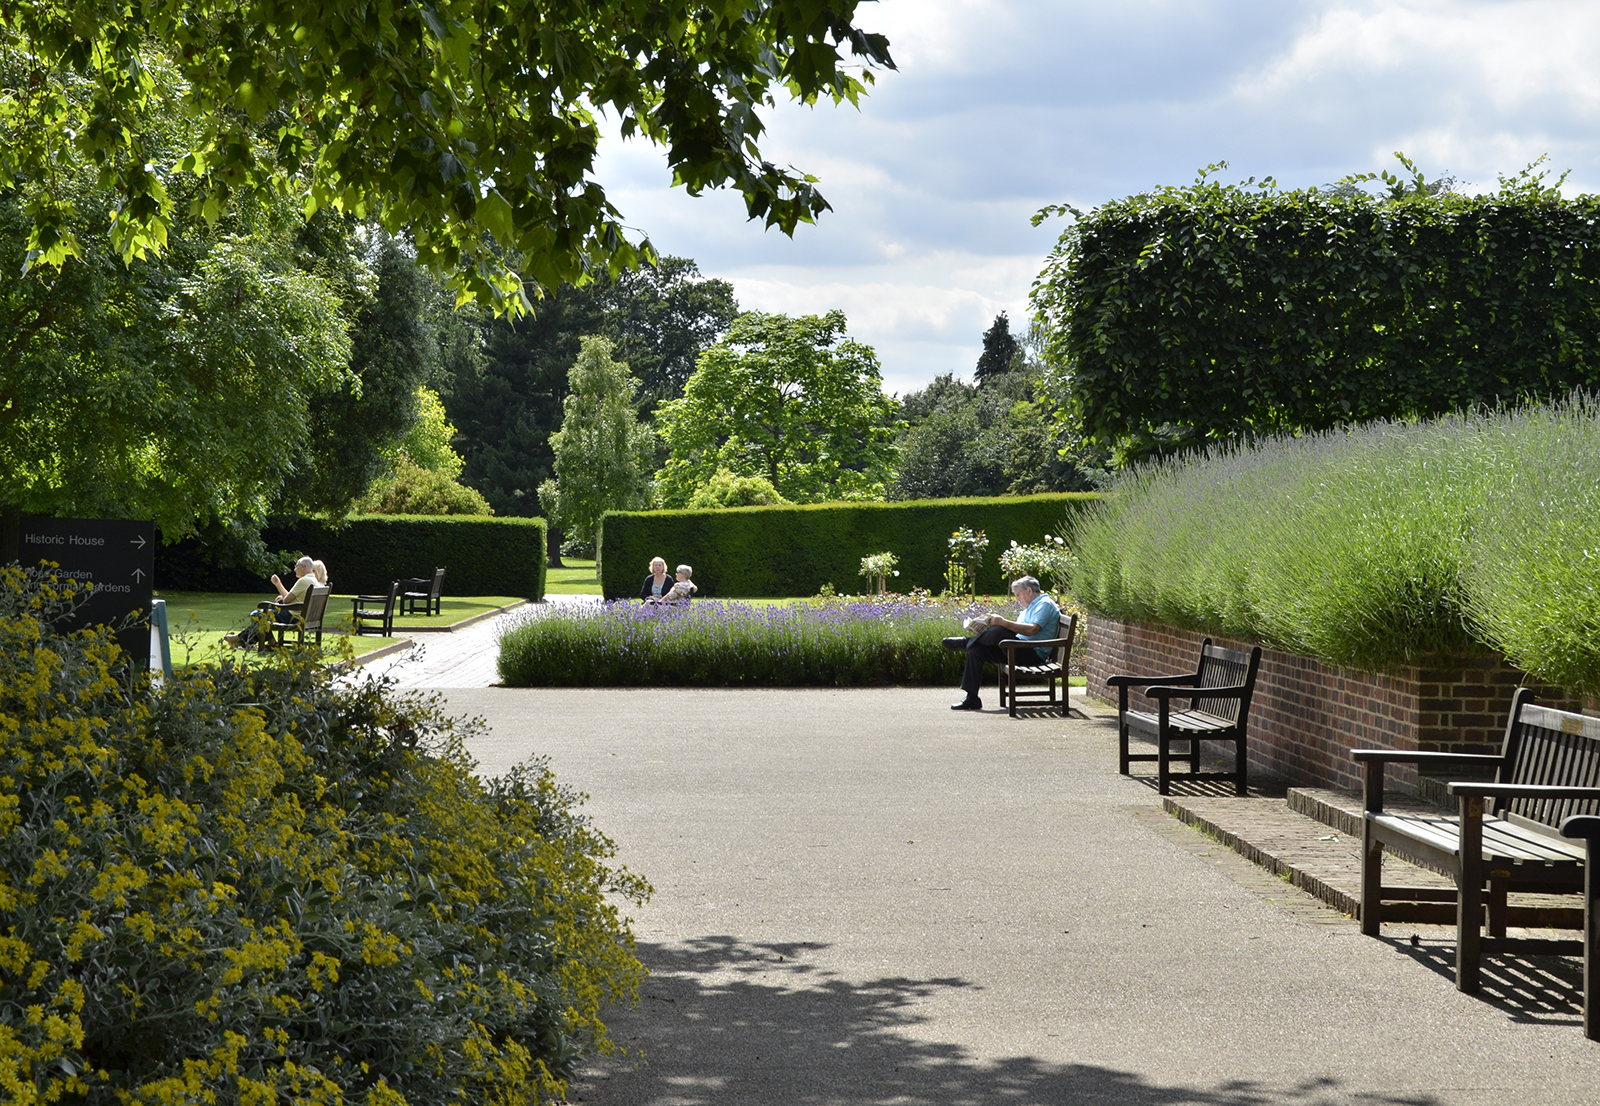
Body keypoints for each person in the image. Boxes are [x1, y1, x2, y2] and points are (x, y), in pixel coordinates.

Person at [944, 575, 1060, 711]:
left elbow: (1032, 630)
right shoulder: (1030, 608)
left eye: (1018, 594)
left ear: (1029, 591)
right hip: (1018, 648)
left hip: (1032, 653)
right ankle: (972, 698)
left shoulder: (1044, 604)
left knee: (998, 631)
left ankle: (967, 642)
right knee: (977, 651)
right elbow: (1019, 631)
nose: (1017, 599)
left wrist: (1003, 623)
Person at [227, 556, 318, 648]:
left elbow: (286, 601)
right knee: (261, 618)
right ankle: (244, 641)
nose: (294, 569)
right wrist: (278, 584)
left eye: (296, 566)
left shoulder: (303, 581)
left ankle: (248, 640)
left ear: (303, 566)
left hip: (293, 617)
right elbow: (290, 599)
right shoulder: (314, 581)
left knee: (257, 615)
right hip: (305, 616)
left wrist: (281, 593)